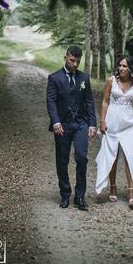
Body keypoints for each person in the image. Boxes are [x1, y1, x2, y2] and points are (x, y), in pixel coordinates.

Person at [95, 55, 133, 209]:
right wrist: (102, 121)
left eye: (124, 66)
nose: (121, 69)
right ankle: (113, 187)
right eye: (120, 66)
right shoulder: (111, 81)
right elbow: (105, 101)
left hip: (129, 124)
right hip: (112, 123)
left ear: (130, 68)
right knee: (112, 156)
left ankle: (131, 191)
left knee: (130, 156)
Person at [46, 45, 97, 210]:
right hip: (62, 125)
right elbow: (51, 101)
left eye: (78, 61)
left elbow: (89, 101)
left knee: (82, 158)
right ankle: (65, 194)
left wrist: (92, 123)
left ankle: (80, 196)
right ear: (65, 57)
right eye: (72, 60)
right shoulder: (54, 78)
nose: (75, 64)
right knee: (62, 160)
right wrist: (55, 121)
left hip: (81, 124)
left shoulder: (84, 78)